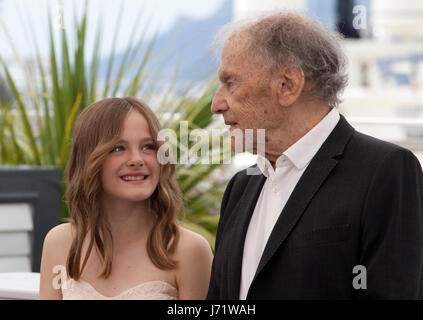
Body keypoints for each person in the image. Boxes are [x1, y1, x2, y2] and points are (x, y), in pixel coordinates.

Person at [207, 12, 423, 299]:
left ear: (288, 85)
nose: (216, 104)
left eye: (230, 82)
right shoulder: (240, 187)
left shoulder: (385, 170)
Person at [39, 97, 213, 300]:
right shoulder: (59, 243)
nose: (137, 160)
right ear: (88, 160)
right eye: (118, 148)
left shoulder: (189, 250)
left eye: (148, 146)